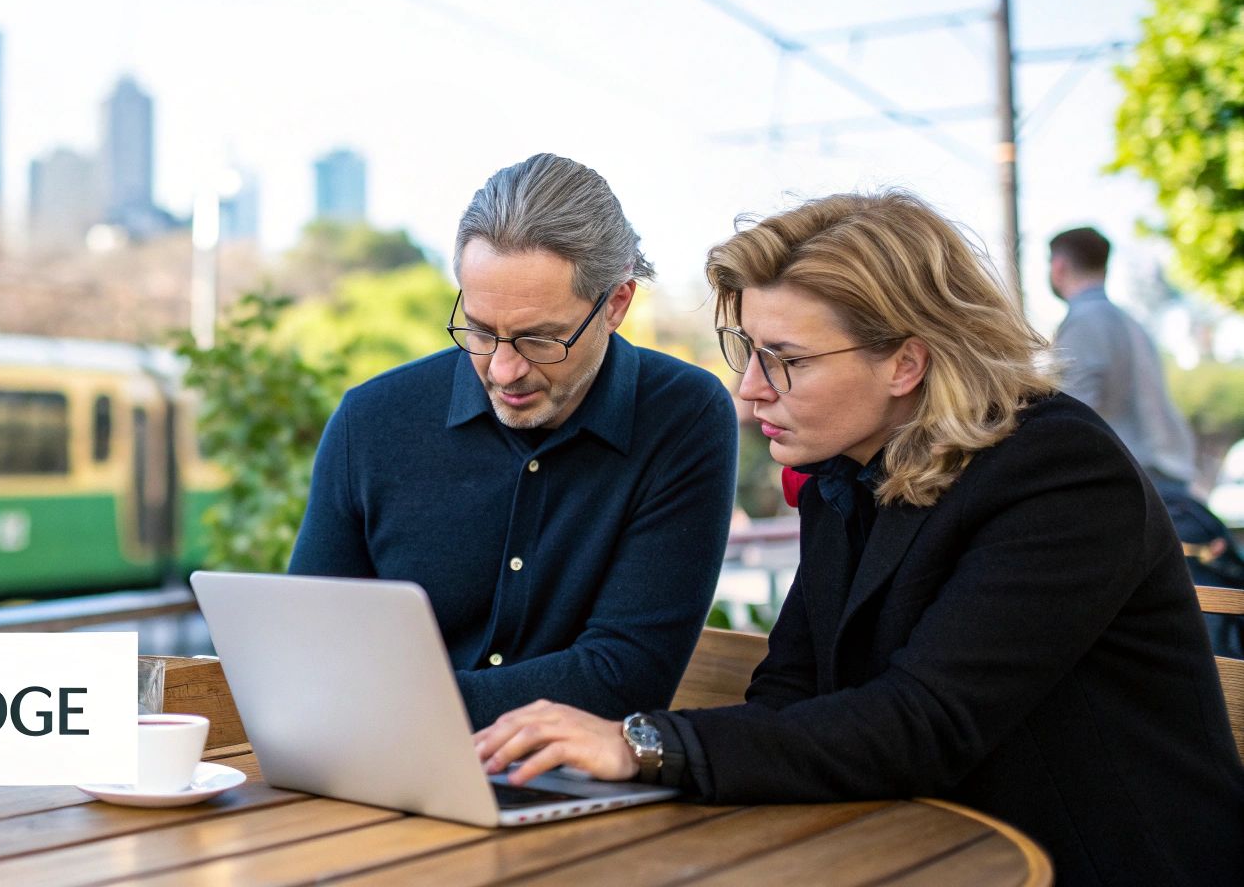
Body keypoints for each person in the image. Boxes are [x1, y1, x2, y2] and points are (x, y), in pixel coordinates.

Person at [474, 191, 1244, 885]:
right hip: (915, 847)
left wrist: (641, 745)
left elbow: (926, 722)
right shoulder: (850, 470)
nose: (749, 388)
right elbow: (792, 692)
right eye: (748, 351)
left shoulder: (1059, 472)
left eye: (786, 360)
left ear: (907, 360)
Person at [289, 153, 737, 728]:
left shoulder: (684, 415)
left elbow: (623, 675)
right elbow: (305, 648)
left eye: (540, 339)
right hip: (379, 764)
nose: (502, 370)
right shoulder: (371, 419)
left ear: (617, 304)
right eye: (478, 330)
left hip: (566, 789)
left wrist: (391, 708)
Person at [1050, 226, 1244, 657]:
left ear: (1059, 266)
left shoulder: (1084, 322)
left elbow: (1068, 420)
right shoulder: (1131, 323)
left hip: (1135, 497)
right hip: (1170, 489)